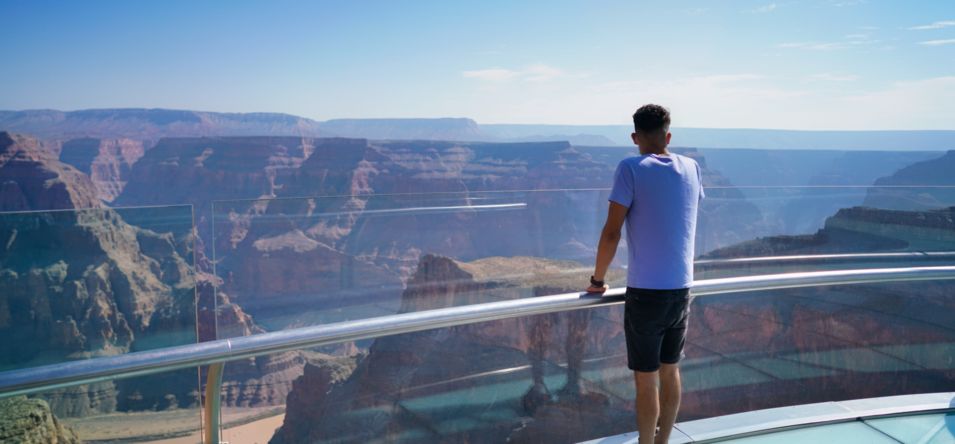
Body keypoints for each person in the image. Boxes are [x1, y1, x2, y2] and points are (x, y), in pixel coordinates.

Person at [586, 104, 704, 444]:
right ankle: (664, 440)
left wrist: (597, 280)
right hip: (682, 289)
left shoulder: (630, 168)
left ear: (635, 137)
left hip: (647, 292)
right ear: (668, 135)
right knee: (671, 370)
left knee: (646, 378)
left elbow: (612, 232)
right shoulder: (692, 167)